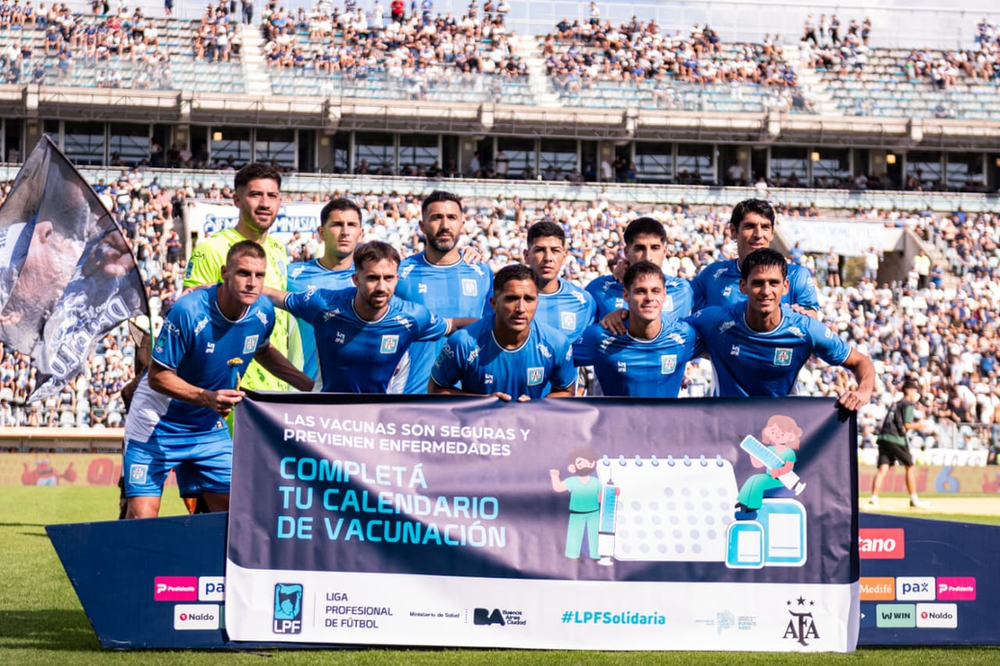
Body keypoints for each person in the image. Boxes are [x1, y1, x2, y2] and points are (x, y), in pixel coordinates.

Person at [123, 242, 311, 519]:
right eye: (243, 273)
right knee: (141, 520)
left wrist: (310, 386)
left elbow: (262, 350)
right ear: (225, 272)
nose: (251, 283)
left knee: (236, 519)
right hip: (156, 425)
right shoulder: (188, 311)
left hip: (207, 428)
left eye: (259, 275)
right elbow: (158, 377)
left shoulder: (263, 313)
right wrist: (209, 398)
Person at [266, 241, 471, 394]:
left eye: (388, 278)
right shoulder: (324, 304)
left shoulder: (412, 316)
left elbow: (453, 325)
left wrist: (497, 324)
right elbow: (276, 296)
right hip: (326, 418)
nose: (382, 287)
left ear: (396, 279)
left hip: (377, 422)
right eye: (373, 278)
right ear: (356, 279)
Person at [688, 248, 874, 409]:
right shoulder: (716, 320)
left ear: (785, 287)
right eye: (758, 283)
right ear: (743, 286)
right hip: (727, 429)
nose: (766, 291)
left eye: (773, 283)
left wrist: (863, 392)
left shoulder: (805, 328)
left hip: (776, 430)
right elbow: (672, 338)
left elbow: (861, 362)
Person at [183, 163, 298, 392]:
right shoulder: (212, 249)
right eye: (255, 195)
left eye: (272, 195)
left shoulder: (277, 249)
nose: (265, 203)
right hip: (228, 388)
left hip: (276, 387)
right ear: (237, 200)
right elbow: (190, 319)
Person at [390, 191, 492, 394]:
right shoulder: (400, 273)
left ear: (462, 224)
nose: (445, 226)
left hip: (468, 395)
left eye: (452, 218)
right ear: (422, 226)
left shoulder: (482, 272)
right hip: (412, 395)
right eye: (436, 218)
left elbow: (492, 331)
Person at [429, 264, 576, 401]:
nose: (521, 308)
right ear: (494, 304)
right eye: (511, 299)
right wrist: (484, 402)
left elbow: (566, 391)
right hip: (479, 427)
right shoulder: (463, 342)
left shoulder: (556, 343)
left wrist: (537, 406)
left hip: (531, 426)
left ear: (537, 303)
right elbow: (435, 389)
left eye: (529, 299)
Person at [576, 262, 700, 397]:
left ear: (664, 295)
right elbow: (560, 357)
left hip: (668, 419)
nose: (649, 298)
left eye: (655, 291)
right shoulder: (599, 337)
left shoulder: (685, 335)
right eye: (640, 291)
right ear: (626, 295)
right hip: (616, 418)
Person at [690, 199, 818, 316]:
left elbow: (812, 320)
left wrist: (800, 317)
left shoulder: (796, 275)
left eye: (765, 227)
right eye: (750, 226)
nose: (758, 234)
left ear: (772, 233)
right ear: (733, 231)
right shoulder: (711, 275)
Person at [286, 198, 363, 382]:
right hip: (307, 391)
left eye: (351, 225)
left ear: (360, 233)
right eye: (337, 224)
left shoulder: (374, 280)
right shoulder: (292, 276)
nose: (345, 232)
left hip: (360, 396)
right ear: (321, 232)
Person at [586, 216, 693, 321]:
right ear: (627, 252)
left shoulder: (682, 289)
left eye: (655, 248)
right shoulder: (599, 289)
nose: (648, 257)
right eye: (639, 249)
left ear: (664, 252)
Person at [525, 221, 596, 346]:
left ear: (564, 256)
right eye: (540, 250)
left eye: (555, 250)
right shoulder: (508, 299)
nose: (548, 258)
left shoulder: (583, 301)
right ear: (526, 255)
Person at [869, 377, 931, 509]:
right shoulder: (908, 403)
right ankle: (914, 499)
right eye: (915, 390)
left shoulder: (896, 403)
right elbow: (907, 425)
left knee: (883, 468)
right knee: (909, 466)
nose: (916, 393)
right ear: (909, 390)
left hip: (884, 437)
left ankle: (873, 498)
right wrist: (919, 425)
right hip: (896, 438)